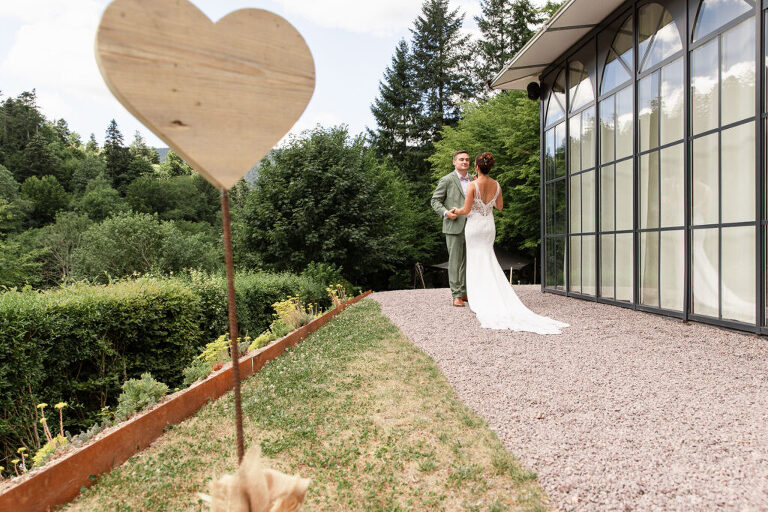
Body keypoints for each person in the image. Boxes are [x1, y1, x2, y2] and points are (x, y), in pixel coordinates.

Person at [451, 152, 568, 334]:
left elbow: (466, 210)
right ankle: (492, 293)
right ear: (489, 167)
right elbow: (499, 206)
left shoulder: (472, 185)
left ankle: (480, 296)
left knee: (476, 260)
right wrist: (485, 203)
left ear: (476, 167)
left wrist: (455, 210)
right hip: (488, 226)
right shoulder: (496, 184)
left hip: (474, 227)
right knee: (488, 258)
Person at [431, 150, 472, 307]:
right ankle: (456, 295)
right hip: (454, 226)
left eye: (467, 160)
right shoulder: (446, 180)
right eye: (461, 159)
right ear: (454, 162)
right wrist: (446, 213)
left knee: (469, 261)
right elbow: (435, 201)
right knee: (454, 262)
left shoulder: (474, 180)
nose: (464, 162)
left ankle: (465, 291)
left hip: (472, 227)